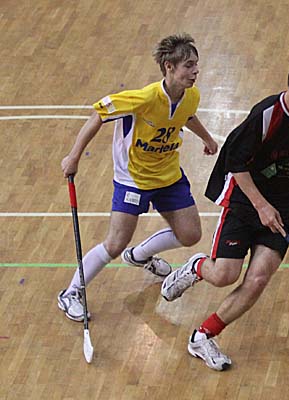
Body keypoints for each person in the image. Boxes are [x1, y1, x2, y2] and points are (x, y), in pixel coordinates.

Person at [160, 48, 289, 371]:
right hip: (246, 199)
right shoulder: (267, 115)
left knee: (257, 279)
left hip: (284, 206)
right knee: (224, 275)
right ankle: (197, 267)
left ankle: (203, 336)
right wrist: (261, 205)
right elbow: (235, 162)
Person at [57, 33, 219, 322]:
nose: (196, 71)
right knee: (115, 243)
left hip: (168, 176)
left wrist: (207, 138)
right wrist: (73, 157)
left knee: (190, 235)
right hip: (133, 179)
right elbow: (98, 115)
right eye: (189, 66)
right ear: (169, 67)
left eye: (196, 65)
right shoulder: (143, 98)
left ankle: (140, 255)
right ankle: (71, 292)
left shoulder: (191, 95)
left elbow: (187, 115)